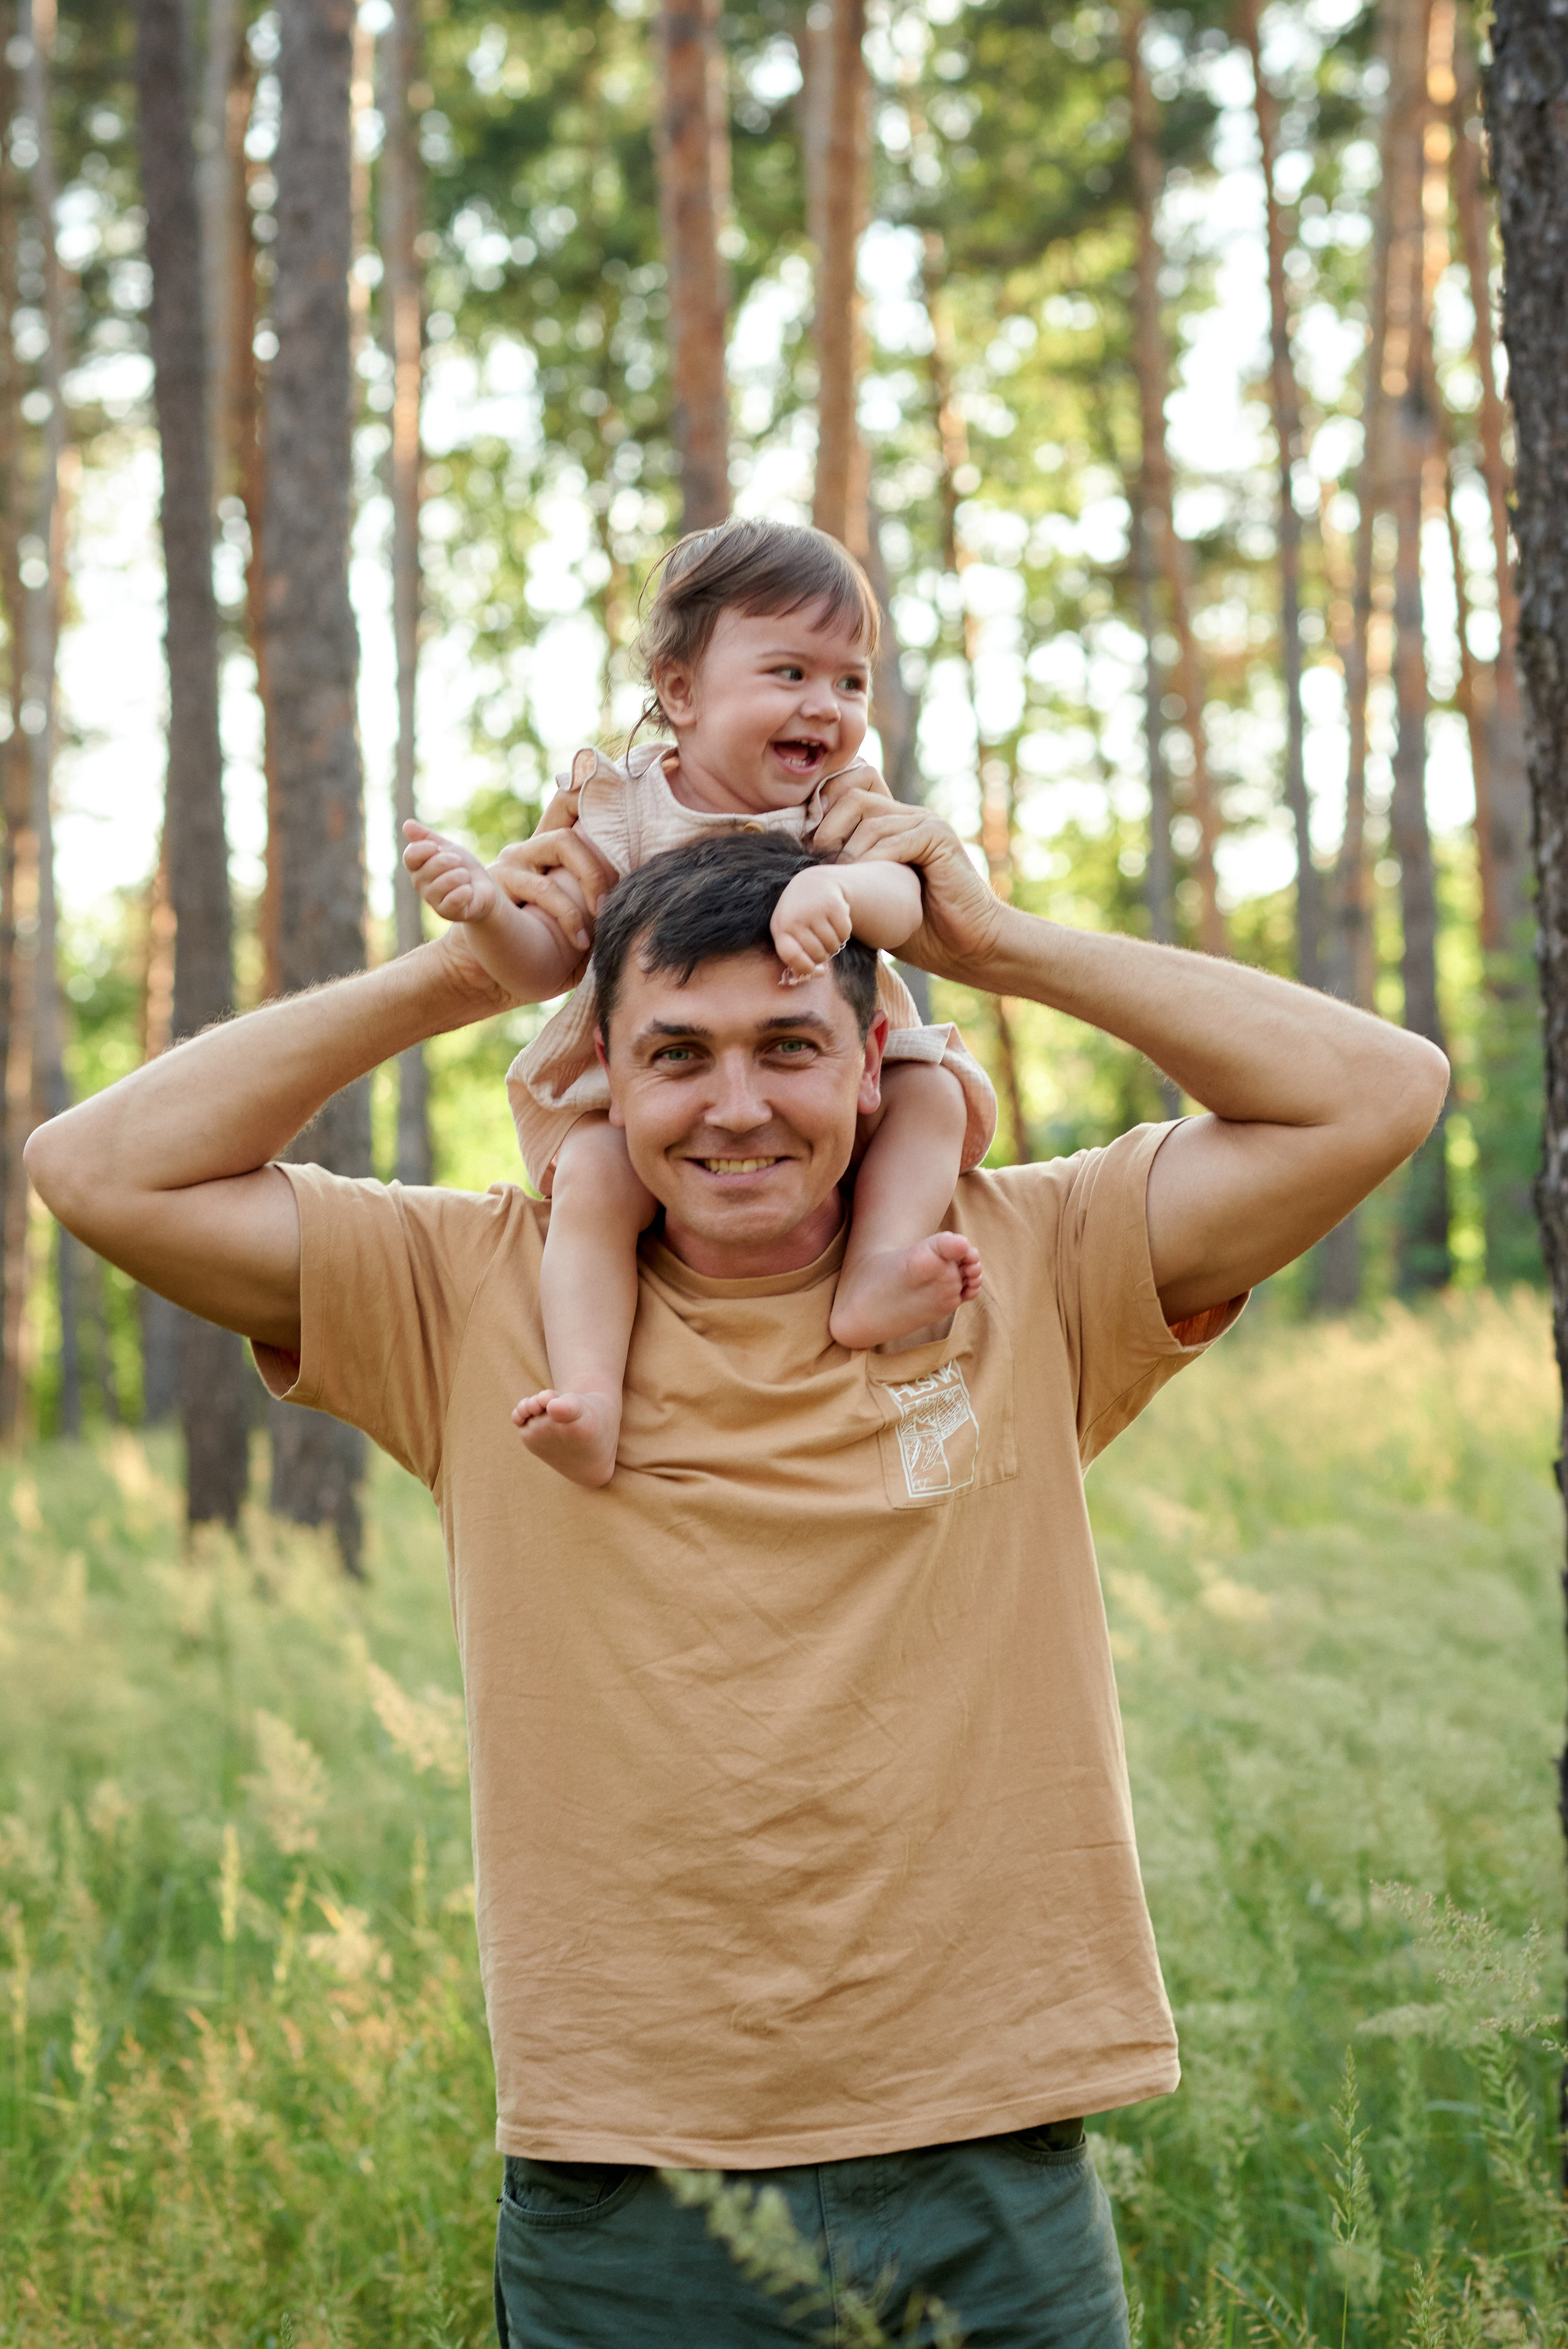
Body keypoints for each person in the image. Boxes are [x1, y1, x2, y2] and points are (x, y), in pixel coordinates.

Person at [24, 794, 1447, 2347]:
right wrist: (467, 977)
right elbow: (98, 1170)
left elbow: (1377, 1090)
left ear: (871, 1059)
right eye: (675, 1053)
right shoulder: (472, 1289)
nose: (736, 1107)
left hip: (985, 2155)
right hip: (631, 2180)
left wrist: (992, 940)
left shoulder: (1024, 1257)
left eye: (786, 1044)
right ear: (603, 1077)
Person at [401, 518, 995, 1488]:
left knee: (932, 1091)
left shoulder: (838, 805)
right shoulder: (624, 806)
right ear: (679, 691)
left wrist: (839, 890)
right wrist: (486, 918)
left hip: (835, 1060)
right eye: (790, 674)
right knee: (595, 1178)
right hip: (650, 1077)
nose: (827, 707)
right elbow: (550, 957)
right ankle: (591, 1393)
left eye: (850, 681)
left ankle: (878, 1270)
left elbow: (908, 898)